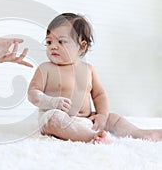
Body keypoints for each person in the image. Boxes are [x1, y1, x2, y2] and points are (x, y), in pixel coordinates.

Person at [27, 13, 162, 144]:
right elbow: (32, 93)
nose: (53, 46)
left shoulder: (88, 69)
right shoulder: (45, 69)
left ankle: (141, 134)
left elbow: (99, 94)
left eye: (61, 41)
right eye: (49, 41)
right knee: (53, 119)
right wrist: (51, 102)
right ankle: (92, 136)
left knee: (113, 119)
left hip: (87, 118)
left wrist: (102, 116)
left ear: (82, 46)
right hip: (58, 118)